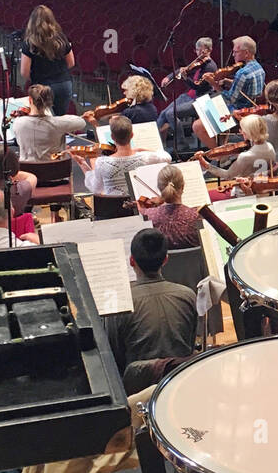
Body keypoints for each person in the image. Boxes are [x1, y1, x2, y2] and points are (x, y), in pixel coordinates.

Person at [106, 228, 198, 374]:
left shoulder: (118, 302)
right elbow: (189, 345)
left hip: (136, 390)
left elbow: (113, 357)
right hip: (180, 378)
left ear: (131, 261)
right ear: (165, 259)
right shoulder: (188, 295)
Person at [193, 36, 265, 149]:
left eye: (236, 52)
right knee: (207, 107)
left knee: (197, 125)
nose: (233, 55)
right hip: (251, 109)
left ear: (246, 53)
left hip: (238, 113)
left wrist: (213, 83)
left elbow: (230, 99)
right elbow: (245, 89)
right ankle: (223, 146)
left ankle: (221, 156)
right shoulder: (259, 68)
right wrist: (228, 81)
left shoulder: (242, 73)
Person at [81, 113, 170, 199]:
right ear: (132, 135)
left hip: (115, 212)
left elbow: (96, 189)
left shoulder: (102, 162)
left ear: (112, 137)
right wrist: (141, 149)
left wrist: (82, 163)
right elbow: (167, 157)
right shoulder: (146, 157)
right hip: (140, 208)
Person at [195, 114, 277, 195]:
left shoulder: (244, 157)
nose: (240, 131)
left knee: (210, 195)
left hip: (245, 194)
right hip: (265, 191)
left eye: (242, 130)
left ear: (248, 133)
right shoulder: (270, 147)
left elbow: (227, 175)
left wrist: (206, 165)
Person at [157, 37, 217, 142]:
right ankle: (155, 142)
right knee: (163, 113)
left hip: (200, 99)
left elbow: (197, 86)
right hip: (189, 96)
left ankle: (182, 143)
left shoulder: (209, 67)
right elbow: (181, 70)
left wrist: (185, 78)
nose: (199, 53)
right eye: (197, 50)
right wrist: (169, 77)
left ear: (209, 50)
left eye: (202, 50)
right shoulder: (198, 63)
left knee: (170, 114)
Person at [20, 6, 76, 116]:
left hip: (42, 86)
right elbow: (71, 63)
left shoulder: (30, 42)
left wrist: (35, 78)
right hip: (63, 83)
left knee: (44, 121)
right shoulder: (61, 38)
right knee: (60, 121)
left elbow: (24, 72)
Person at [12, 84, 88, 162]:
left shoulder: (18, 122)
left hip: (27, 171)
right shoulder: (57, 123)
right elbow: (82, 122)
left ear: (30, 100)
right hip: (55, 171)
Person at [140, 164, 202, 249]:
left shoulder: (148, 216)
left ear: (159, 188)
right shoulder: (196, 216)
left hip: (161, 262)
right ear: (183, 186)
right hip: (197, 262)